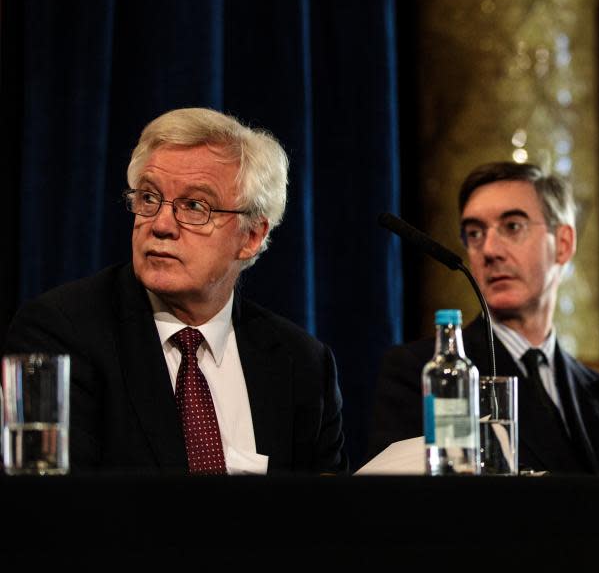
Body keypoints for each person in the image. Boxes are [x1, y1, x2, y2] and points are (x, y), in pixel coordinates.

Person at [4, 107, 346, 474]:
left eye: (195, 205)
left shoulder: (303, 365)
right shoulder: (62, 333)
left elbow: (328, 520)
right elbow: (57, 509)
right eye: (149, 198)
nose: (161, 224)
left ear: (251, 236)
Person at [371, 162, 599, 474]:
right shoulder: (425, 374)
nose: (490, 249)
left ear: (563, 244)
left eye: (512, 226)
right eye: (475, 233)